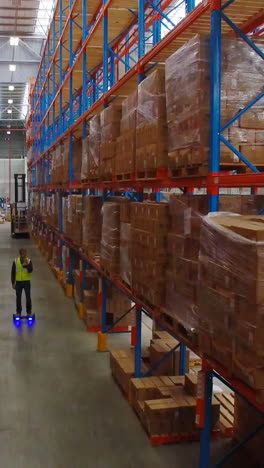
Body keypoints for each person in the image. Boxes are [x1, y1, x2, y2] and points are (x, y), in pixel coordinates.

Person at [11, 248, 33, 317]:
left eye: (25, 253)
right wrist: (13, 283)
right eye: (23, 254)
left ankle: (29, 312)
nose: (25, 255)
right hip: (18, 283)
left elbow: (30, 271)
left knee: (28, 297)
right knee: (18, 298)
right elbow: (13, 273)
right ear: (20, 254)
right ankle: (18, 312)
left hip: (26, 282)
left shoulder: (29, 261)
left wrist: (27, 264)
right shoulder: (15, 261)